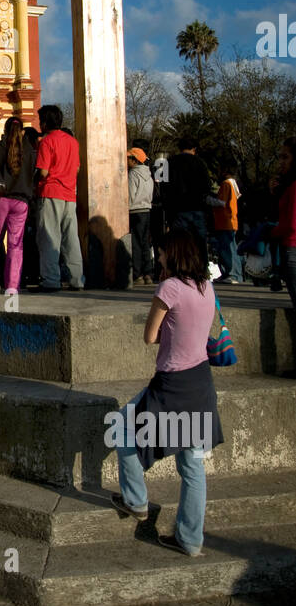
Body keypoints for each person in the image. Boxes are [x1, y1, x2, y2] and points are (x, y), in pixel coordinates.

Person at [109, 228, 222, 557]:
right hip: (200, 383)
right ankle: (189, 540)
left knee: (122, 428)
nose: (158, 255)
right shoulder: (207, 287)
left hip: (171, 385)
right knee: (191, 467)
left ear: (174, 254)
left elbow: (149, 336)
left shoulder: (169, 288)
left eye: (162, 251)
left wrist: (169, 332)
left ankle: (136, 499)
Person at [0, 118, 38, 297]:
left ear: (4, 130)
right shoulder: (29, 151)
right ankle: (12, 286)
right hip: (21, 201)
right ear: (22, 131)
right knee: (16, 244)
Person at [35, 104, 83, 292]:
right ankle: (76, 279)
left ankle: (51, 279)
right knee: (71, 238)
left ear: (45, 123)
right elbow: (77, 168)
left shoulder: (46, 142)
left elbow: (43, 172)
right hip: (70, 193)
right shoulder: (72, 141)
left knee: (49, 237)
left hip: (50, 191)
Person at [161, 137, 215, 253]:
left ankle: (181, 269)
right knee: (199, 244)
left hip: (177, 210)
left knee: (180, 245)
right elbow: (207, 187)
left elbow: (163, 187)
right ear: (194, 149)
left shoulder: (169, 162)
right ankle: (201, 268)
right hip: (197, 209)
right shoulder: (200, 163)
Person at [269, 137, 296, 311]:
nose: (281, 162)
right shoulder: (288, 185)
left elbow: (292, 223)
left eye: (285, 157)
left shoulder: (294, 187)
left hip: (292, 247)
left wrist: (272, 232)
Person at [127, 147, 155, 286]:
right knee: (145, 244)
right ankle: (148, 274)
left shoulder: (133, 174)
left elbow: (130, 194)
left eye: (129, 158)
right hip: (146, 210)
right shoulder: (149, 174)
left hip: (134, 211)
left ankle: (137, 275)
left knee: (136, 244)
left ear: (134, 160)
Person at [212, 161, 243, 284]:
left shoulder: (226, 184)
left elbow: (221, 202)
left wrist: (209, 199)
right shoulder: (234, 183)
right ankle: (230, 273)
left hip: (225, 221)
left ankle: (232, 274)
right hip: (231, 221)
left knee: (227, 249)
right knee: (231, 248)